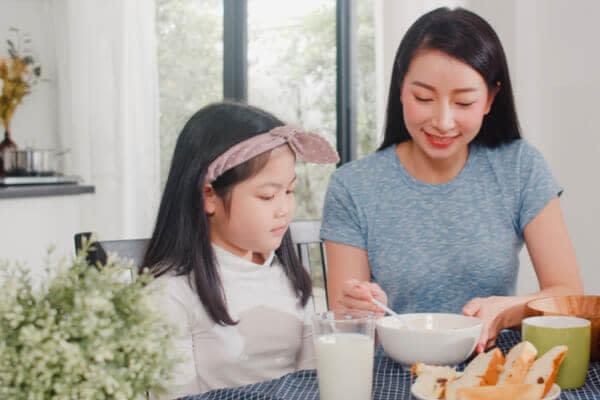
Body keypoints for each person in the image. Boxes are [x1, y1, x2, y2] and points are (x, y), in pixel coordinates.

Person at [320, 7, 583, 354]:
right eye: (424, 98)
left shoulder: (519, 167)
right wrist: (359, 308)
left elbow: (567, 294)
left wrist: (504, 311)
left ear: (490, 99)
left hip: (493, 370)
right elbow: (348, 327)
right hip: (393, 372)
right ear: (400, 89)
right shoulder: (352, 187)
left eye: (464, 101)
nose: (443, 122)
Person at [142, 101, 339, 398]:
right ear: (209, 197)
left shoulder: (289, 276)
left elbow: (311, 382)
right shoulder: (171, 293)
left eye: (289, 191)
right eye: (267, 195)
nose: (284, 209)